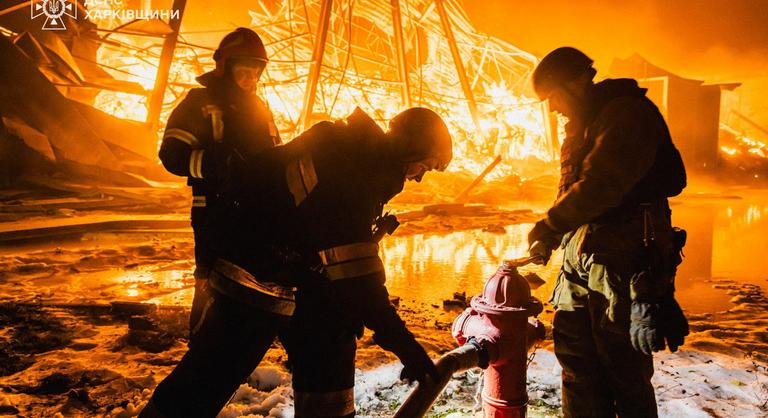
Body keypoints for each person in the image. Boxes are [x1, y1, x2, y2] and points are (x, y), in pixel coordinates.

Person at [140, 106, 452, 418]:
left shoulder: (352, 151)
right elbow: (360, 283)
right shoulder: (354, 171)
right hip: (251, 275)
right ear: (409, 148)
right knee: (206, 380)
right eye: (424, 165)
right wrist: (406, 347)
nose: (419, 177)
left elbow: (331, 248)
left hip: (296, 275)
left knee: (331, 349)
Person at [526, 47, 689, 418]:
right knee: (576, 363)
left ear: (578, 81)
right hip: (581, 261)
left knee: (623, 368)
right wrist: (553, 235)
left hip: (621, 262)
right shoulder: (585, 124)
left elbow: (602, 185)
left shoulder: (626, 115)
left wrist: (552, 223)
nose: (552, 109)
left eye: (554, 97)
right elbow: (573, 189)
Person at [157, 28, 281, 335]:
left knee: (255, 286)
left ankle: (238, 351)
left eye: (255, 73)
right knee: (212, 286)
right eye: (243, 72)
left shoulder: (260, 108)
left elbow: (276, 156)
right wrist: (214, 165)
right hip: (215, 211)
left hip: (257, 213)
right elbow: (171, 154)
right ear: (225, 68)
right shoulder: (201, 103)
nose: (250, 80)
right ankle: (200, 347)